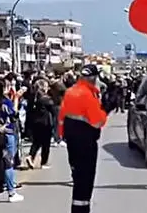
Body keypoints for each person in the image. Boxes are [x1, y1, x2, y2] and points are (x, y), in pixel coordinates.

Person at [58, 64, 108, 213]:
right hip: (86, 144)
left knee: (78, 179)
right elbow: (98, 121)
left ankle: (77, 209)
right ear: (93, 78)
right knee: (85, 182)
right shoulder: (87, 95)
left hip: (72, 143)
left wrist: (63, 135)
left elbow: (62, 116)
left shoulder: (70, 92)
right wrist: (105, 109)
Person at [0, 79, 24, 202]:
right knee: (8, 162)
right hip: (7, 132)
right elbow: (14, 115)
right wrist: (16, 99)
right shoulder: (6, 102)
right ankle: (11, 191)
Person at [25, 79, 56, 169]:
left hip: (35, 122)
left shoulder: (32, 97)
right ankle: (43, 163)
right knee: (46, 144)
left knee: (36, 142)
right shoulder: (45, 98)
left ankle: (31, 156)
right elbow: (53, 109)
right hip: (45, 123)